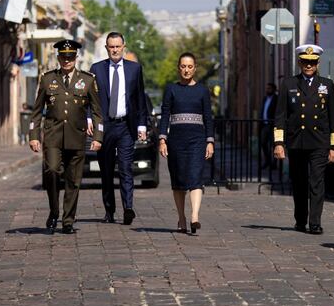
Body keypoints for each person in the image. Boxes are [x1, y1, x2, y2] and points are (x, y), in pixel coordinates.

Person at [29, 39, 103, 234]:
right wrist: (34, 135)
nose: (66, 60)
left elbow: (97, 112)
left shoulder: (87, 80)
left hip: (76, 137)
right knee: (52, 171)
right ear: (58, 57)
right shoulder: (47, 79)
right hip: (53, 137)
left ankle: (68, 219)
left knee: (73, 180)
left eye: (70, 57)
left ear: (76, 58)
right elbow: (36, 111)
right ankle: (54, 210)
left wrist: (98, 136)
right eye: (63, 56)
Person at [273, 44, 334, 234]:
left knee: (316, 183)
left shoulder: (326, 85)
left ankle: (315, 222)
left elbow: (332, 118)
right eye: (305, 62)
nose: (308, 66)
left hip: (319, 141)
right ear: (299, 63)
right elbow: (280, 115)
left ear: (317, 63)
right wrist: (279, 143)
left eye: (312, 63)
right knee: (299, 183)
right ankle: (300, 220)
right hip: (297, 142)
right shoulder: (289, 84)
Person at [90, 32, 149, 225]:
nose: (114, 50)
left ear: (124, 47)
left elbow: (140, 99)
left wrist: (142, 124)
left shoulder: (134, 69)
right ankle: (109, 211)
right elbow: (89, 99)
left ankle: (128, 208)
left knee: (125, 169)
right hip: (104, 127)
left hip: (125, 126)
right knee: (106, 171)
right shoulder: (96, 69)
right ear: (106, 48)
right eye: (111, 47)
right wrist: (89, 119)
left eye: (118, 46)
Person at [158, 53, 214, 234]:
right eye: (183, 66)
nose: (186, 70)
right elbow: (165, 114)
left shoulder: (202, 90)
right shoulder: (171, 89)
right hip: (176, 141)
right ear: (178, 67)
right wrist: (162, 139)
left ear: (195, 68)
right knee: (179, 181)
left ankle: (194, 217)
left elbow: (208, 117)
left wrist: (210, 141)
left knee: (196, 177)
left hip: (197, 140)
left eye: (190, 66)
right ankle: (181, 217)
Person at [259, 83, 278, 169]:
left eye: (269, 89)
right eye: (267, 88)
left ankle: (274, 164)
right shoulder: (265, 98)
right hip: (265, 125)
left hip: (273, 125)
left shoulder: (276, 99)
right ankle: (267, 161)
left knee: (274, 145)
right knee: (263, 143)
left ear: (273, 90)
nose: (267, 90)